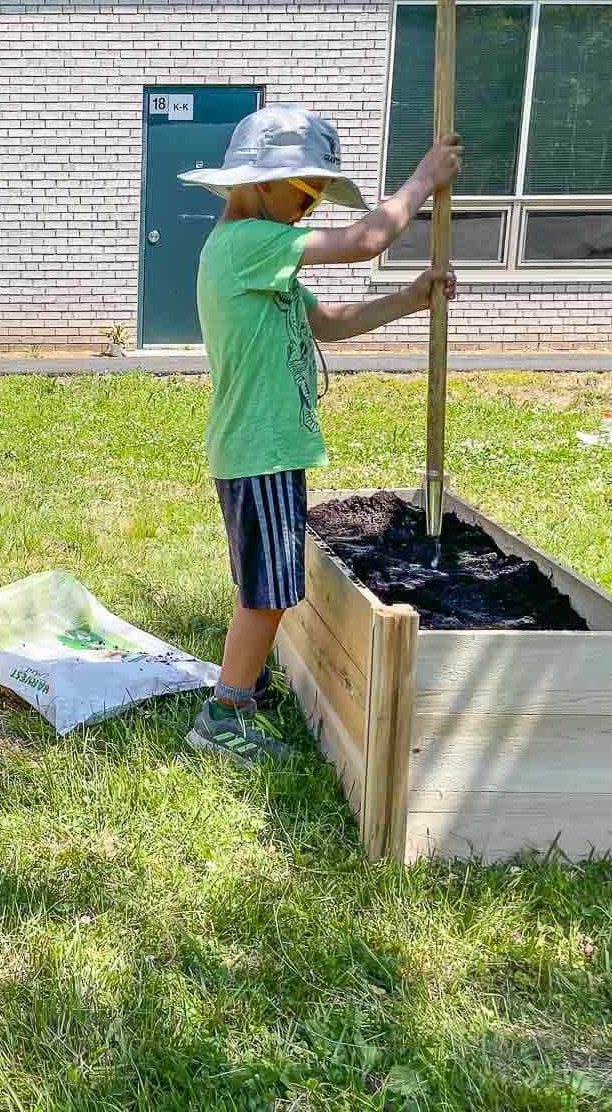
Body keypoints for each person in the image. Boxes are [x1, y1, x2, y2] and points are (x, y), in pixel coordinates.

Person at [175, 105, 462, 766]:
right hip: (259, 450)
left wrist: (410, 300)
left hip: (268, 448)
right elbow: (365, 241)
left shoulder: (263, 257)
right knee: (269, 593)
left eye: (315, 196)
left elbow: (328, 322)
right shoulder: (245, 242)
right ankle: (224, 715)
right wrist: (422, 180)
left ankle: (247, 689)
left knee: (265, 584)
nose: (308, 207)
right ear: (257, 183)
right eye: (303, 192)